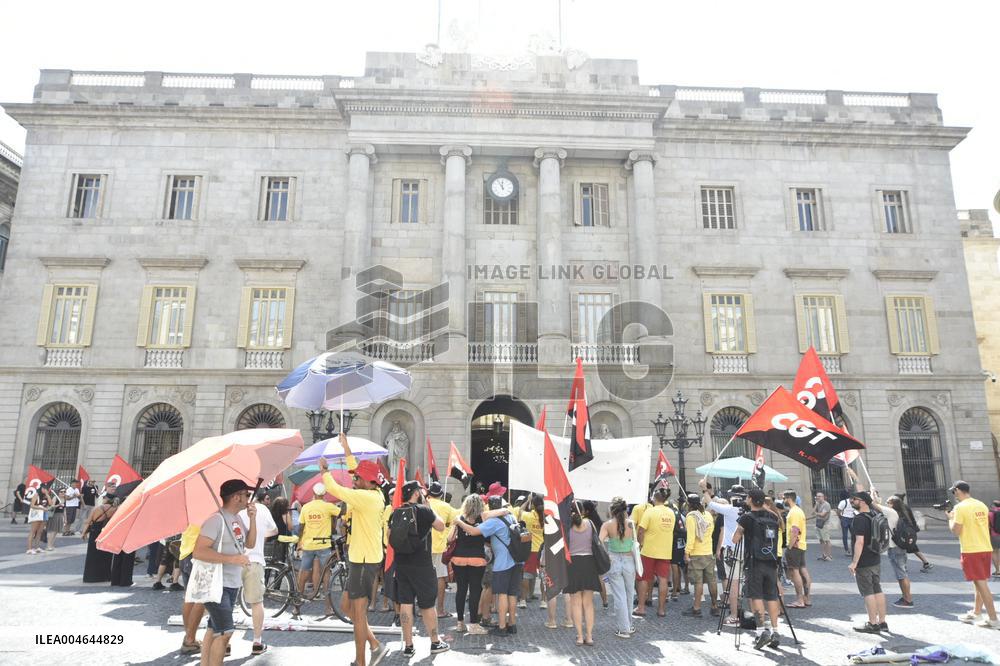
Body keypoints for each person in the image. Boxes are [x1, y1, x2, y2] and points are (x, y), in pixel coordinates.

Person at [318, 433, 388, 666]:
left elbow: (338, 491)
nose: (354, 479)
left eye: (357, 478)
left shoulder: (365, 498)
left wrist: (325, 471)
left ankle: (361, 661)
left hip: (364, 559)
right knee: (347, 608)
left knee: (358, 614)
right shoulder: (371, 492)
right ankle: (376, 645)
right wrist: (346, 448)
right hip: (360, 558)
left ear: (369, 482)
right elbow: (354, 471)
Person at [193, 479, 256, 666]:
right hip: (215, 583)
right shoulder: (216, 520)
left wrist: (252, 518)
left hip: (231, 582)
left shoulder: (236, 518)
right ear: (236, 497)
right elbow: (199, 551)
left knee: (214, 629)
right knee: (226, 631)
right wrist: (232, 559)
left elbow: (249, 544)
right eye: (246, 494)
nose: (248, 498)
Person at [391, 480, 450, 657]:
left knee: (406, 603)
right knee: (426, 605)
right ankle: (435, 642)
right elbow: (441, 526)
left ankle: (408, 646)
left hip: (402, 563)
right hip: (422, 564)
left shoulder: (396, 512)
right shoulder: (424, 510)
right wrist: (427, 506)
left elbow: (389, 537)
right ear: (417, 493)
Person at [454, 495, 524, 637]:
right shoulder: (511, 517)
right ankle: (512, 624)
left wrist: (458, 522)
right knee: (512, 594)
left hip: (503, 562)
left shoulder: (493, 522)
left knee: (502, 594)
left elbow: (473, 531)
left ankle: (502, 627)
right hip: (517, 560)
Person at [733, 488, 782, 650]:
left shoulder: (746, 518)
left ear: (751, 499)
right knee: (772, 597)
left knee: (756, 597)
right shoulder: (773, 516)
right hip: (772, 562)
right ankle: (775, 631)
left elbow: (735, 539)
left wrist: (740, 529)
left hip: (754, 563)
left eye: (747, 498)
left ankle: (762, 631)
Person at [947, 480, 998, 629]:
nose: (954, 495)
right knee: (979, 583)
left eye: (953, 492)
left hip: (971, 549)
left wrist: (950, 519)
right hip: (985, 547)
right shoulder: (981, 504)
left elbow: (956, 531)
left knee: (981, 585)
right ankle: (976, 612)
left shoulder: (959, 508)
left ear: (957, 490)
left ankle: (993, 619)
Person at [240, 491, 279, 655]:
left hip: (232, 560)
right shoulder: (262, 508)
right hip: (254, 560)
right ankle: (257, 641)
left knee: (226, 601)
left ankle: (224, 643)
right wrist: (261, 535)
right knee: (256, 602)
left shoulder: (232, 509)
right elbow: (275, 530)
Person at [701, 479, 744, 625]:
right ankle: (749, 612)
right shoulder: (748, 510)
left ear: (732, 496)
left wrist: (703, 488)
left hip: (732, 550)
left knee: (733, 583)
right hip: (746, 550)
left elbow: (709, 503)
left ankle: (734, 615)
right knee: (745, 583)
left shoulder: (731, 509)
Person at [296, 482, 341, 615]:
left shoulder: (306, 507)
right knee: (326, 575)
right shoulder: (328, 507)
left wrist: (300, 541)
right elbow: (341, 512)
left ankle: (296, 607)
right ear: (324, 494)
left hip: (308, 545)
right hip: (324, 545)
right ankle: (328, 608)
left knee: (303, 575)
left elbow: (301, 527)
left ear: (314, 494)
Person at [847, 490, 888, 634]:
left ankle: (872, 623)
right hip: (875, 557)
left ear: (862, 501)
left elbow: (860, 542)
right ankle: (882, 622)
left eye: (854, 499)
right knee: (878, 589)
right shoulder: (875, 514)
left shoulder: (860, 519)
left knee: (867, 592)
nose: (851, 501)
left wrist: (854, 562)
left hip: (864, 560)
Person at [450, 493, 489, 634]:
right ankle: (473, 624)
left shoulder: (459, 519)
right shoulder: (483, 519)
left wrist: (457, 524)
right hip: (477, 559)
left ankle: (460, 623)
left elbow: (449, 539)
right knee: (475, 591)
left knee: (461, 590)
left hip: (458, 559)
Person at [563, 503, 601, 646]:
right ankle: (589, 636)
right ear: (583, 511)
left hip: (573, 565)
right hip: (589, 563)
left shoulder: (566, 527)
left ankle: (579, 636)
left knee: (576, 603)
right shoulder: (590, 523)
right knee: (589, 604)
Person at [600, 497, 636, 639]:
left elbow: (599, 541)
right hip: (629, 560)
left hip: (614, 559)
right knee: (629, 594)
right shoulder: (631, 524)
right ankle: (629, 625)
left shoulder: (607, 525)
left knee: (619, 596)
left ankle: (624, 629)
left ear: (612, 510)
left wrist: (605, 554)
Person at [636, 487, 675, 618]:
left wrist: (639, 543)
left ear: (654, 498)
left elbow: (641, 530)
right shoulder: (671, 513)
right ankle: (661, 609)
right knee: (663, 580)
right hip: (665, 551)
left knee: (643, 578)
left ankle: (641, 608)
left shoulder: (650, 511)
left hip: (648, 550)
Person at [682, 493, 718, 618]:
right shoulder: (707, 514)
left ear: (689, 504)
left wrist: (687, 553)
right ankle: (714, 607)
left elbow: (691, 537)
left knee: (698, 582)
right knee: (712, 581)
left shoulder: (691, 516)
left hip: (696, 553)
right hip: (708, 551)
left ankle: (696, 608)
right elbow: (711, 531)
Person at [426, 481, 457, 620]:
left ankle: (423, 609)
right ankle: (439, 610)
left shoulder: (423, 503)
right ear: (441, 494)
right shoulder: (446, 506)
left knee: (422, 577)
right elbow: (456, 520)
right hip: (439, 546)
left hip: (423, 546)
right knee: (440, 577)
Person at [880, 495, 913, 608]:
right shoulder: (900, 513)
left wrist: (872, 497)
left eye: (888, 502)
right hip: (899, 547)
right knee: (901, 574)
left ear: (892, 504)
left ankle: (908, 600)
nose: (886, 504)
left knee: (902, 574)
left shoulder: (891, 513)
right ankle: (905, 597)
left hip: (895, 548)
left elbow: (874, 505)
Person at [177, 524, 205, 654]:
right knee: (200, 600)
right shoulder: (205, 511)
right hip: (196, 555)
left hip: (185, 553)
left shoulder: (190, 508)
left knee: (190, 599)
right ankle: (189, 639)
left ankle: (189, 636)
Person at [782, 490, 811, 609]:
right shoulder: (799, 511)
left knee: (795, 572)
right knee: (803, 570)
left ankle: (799, 599)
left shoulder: (794, 512)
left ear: (788, 498)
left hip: (795, 545)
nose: (783, 500)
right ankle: (807, 599)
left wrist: (789, 546)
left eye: (784, 498)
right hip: (801, 545)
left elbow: (795, 531)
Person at [515, 494, 546, 609]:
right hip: (542, 548)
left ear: (532, 505)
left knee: (526, 575)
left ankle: (523, 599)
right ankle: (544, 601)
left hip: (531, 549)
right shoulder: (546, 516)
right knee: (544, 576)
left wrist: (527, 501)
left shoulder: (528, 516)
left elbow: (519, 513)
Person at [81, 496, 115, 582]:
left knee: (93, 554)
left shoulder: (97, 508)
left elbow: (88, 521)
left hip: (95, 531)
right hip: (107, 532)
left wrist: (84, 533)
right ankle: (106, 576)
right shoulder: (114, 509)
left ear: (106, 499)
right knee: (106, 555)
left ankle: (91, 576)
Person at [26, 486, 50, 554]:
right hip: (36, 514)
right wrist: (42, 508)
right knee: (33, 531)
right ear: (42, 489)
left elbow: (50, 504)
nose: (47, 491)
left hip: (43, 515)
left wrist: (47, 495)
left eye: (47, 490)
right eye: (46, 489)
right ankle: (29, 549)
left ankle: (37, 547)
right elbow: (32, 505)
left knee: (40, 532)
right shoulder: (36, 495)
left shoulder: (45, 496)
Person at [811, 492, 833, 561]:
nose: (818, 497)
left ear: (823, 497)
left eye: (819, 496)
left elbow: (823, 514)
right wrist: (816, 505)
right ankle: (824, 554)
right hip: (818, 524)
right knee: (821, 540)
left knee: (827, 540)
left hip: (824, 524)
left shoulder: (826, 505)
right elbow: (812, 513)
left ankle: (829, 555)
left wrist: (816, 513)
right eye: (817, 496)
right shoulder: (818, 504)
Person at [836, 490, 856, 556]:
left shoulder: (844, 502)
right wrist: (841, 518)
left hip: (848, 518)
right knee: (847, 535)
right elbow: (838, 511)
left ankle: (850, 549)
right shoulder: (845, 502)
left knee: (851, 535)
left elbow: (838, 511)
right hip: (847, 518)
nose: (853, 500)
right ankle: (848, 550)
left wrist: (841, 517)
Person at [990, 499, 1000, 578]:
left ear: (993, 505)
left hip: (994, 535)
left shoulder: (990, 513)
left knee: (994, 552)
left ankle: (998, 571)